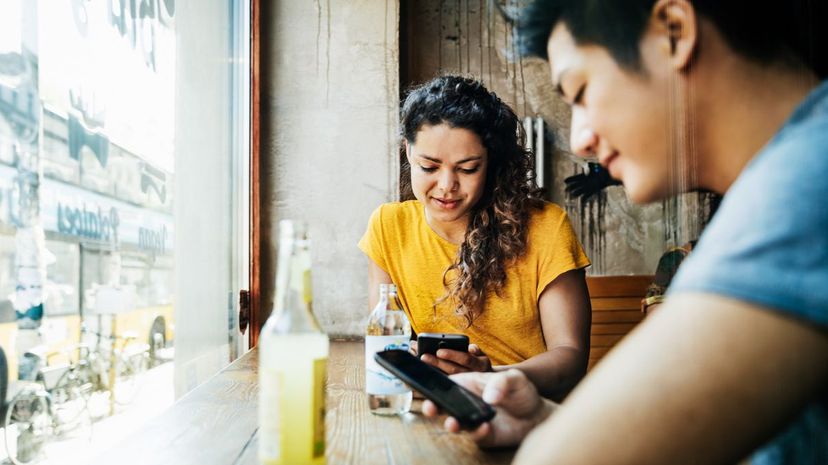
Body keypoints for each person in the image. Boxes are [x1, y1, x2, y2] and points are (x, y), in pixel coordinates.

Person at [423, 1, 828, 464]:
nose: (580, 139)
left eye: (580, 91)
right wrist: (548, 421)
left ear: (673, 33)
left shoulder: (806, 182)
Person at [359, 75, 592, 399]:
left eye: (467, 169)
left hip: (528, 411)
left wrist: (488, 377)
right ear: (409, 151)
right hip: (435, 408)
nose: (446, 185)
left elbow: (570, 359)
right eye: (429, 166)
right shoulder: (388, 227)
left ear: (491, 163)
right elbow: (387, 345)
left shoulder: (547, 228)